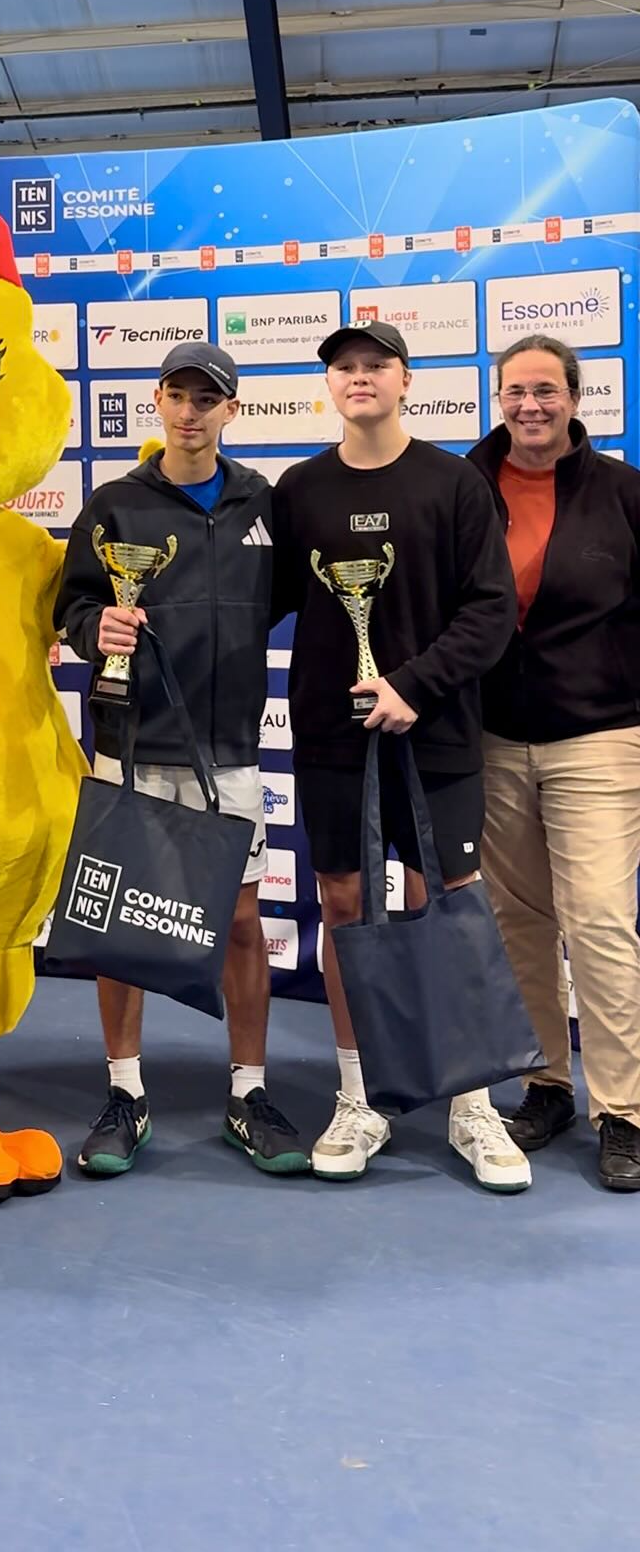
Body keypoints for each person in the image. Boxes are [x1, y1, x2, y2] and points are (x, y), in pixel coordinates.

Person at [272, 319, 527, 1192]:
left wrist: (412, 685)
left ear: (407, 379)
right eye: (344, 367)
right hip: (333, 741)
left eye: (375, 364)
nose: (359, 377)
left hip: (436, 734)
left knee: (441, 904)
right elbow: (257, 602)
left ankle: (471, 1106)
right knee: (342, 903)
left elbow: (491, 611)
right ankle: (360, 1095)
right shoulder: (299, 488)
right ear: (331, 386)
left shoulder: (454, 484)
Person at [56, 341, 308, 1178]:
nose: (192, 411)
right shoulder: (115, 504)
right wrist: (99, 631)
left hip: (230, 752)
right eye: (178, 395)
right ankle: (125, 1093)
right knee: (122, 928)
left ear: (232, 411)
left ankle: (249, 1092)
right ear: (157, 403)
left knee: (241, 925)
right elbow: (73, 608)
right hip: (130, 747)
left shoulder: (261, 504)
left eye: (209, 398)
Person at [469, 336, 640, 1193]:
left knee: (602, 918)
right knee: (520, 923)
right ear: (496, 397)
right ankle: (547, 1085)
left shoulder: (622, 493)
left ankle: (627, 1110)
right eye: (515, 390)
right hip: (494, 738)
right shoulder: (467, 485)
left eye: (546, 390)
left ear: (575, 398)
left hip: (599, 735)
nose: (530, 405)